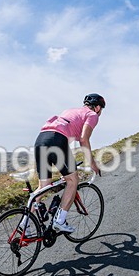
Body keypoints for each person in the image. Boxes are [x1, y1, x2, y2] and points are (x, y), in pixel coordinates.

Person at [32, 94, 105, 233]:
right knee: (73, 180)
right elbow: (83, 139)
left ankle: (25, 225)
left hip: (41, 139)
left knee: (44, 186)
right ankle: (59, 221)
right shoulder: (92, 115)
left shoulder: (71, 111)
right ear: (96, 107)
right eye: (101, 109)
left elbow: (71, 133)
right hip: (56, 140)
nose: (100, 112)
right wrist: (92, 163)